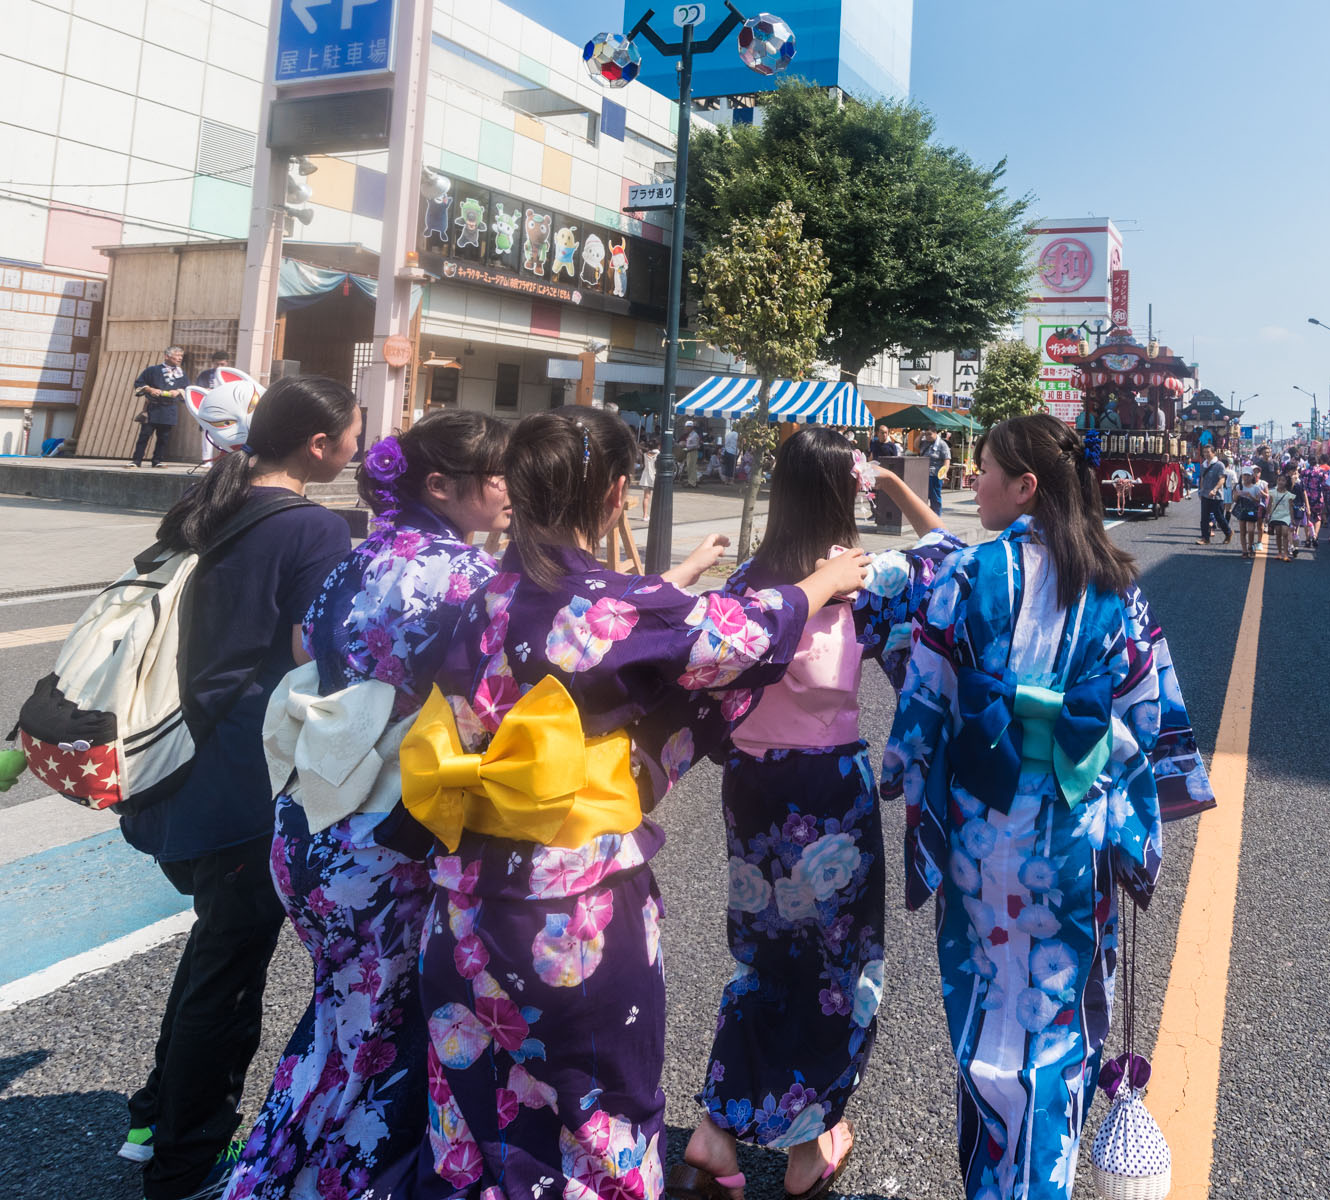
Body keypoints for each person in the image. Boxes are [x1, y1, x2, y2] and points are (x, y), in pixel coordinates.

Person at [405, 409, 871, 1199]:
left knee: (473, 1122)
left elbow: (618, 635)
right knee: (600, 1118)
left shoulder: (475, 596)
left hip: (459, 898)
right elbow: (733, 638)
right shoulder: (611, 605)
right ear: (618, 492)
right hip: (569, 906)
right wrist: (818, 585)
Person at [881, 412, 1212, 1200]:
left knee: (989, 1007)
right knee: (1058, 1022)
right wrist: (1123, 801)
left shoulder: (966, 575)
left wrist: (904, 769)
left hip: (978, 829)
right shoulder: (1114, 585)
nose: (974, 480)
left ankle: (993, 1175)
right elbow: (1144, 716)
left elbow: (922, 694)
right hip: (1072, 830)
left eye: (986, 468)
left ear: (1025, 486)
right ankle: (1043, 1178)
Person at [224, 412, 513, 1200]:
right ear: (440, 487)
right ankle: (303, 1184)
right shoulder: (470, 579)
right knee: (378, 1036)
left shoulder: (358, 558)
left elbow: (303, 649)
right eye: (494, 473)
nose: (507, 486)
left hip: (312, 818)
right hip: (389, 831)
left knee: (343, 1019)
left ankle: (280, 1172)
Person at [678, 430, 961, 1200]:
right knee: (836, 968)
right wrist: (905, 489)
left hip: (752, 789)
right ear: (847, 494)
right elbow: (954, 556)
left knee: (762, 956)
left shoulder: (747, 581)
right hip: (828, 791)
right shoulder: (866, 579)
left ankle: (715, 1130)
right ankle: (807, 1148)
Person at [119, 376, 360, 1200]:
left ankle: (156, 1116)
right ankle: (186, 1162)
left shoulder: (207, 498)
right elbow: (319, 651)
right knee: (229, 971)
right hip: (244, 774)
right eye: (352, 433)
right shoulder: (312, 527)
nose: (358, 447)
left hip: (172, 758)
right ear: (318, 446)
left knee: (215, 945)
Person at [131, 345, 189, 468]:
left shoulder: (181, 373)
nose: (180, 358)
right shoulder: (152, 370)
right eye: (177, 356)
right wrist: (150, 389)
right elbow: (139, 383)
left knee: (164, 437)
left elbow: (187, 388)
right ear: (167, 356)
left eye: (181, 356)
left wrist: (178, 392)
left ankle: (157, 460)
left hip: (170, 408)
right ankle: (136, 460)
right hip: (153, 407)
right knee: (145, 435)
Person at [1195, 446, 1229, 545]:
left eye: (1208, 452)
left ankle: (1228, 532)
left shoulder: (1219, 465)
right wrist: (1200, 491)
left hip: (1217, 496)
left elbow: (1222, 479)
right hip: (1205, 495)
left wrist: (1215, 489)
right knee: (1204, 518)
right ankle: (1205, 538)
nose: (1206, 454)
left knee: (1219, 517)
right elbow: (1202, 479)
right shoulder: (1203, 465)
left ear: (1213, 453)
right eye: (1204, 452)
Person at [1233, 464, 1267, 560]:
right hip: (1242, 510)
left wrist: (1249, 496)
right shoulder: (1238, 487)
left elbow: (1257, 501)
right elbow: (1235, 500)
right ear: (1242, 476)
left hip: (1252, 510)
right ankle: (1244, 550)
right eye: (1244, 475)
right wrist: (1238, 495)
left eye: (1248, 475)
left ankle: (1250, 546)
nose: (1246, 477)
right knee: (1243, 531)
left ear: (1252, 476)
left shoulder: (1255, 488)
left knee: (1251, 530)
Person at [1267, 472, 1298, 562]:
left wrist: (1292, 519)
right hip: (1275, 515)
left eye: (1283, 480)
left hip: (1286, 515)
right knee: (1278, 534)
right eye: (1279, 480)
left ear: (1286, 482)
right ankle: (1279, 553)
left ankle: (1285, 554)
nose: (1280, 482)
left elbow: (1291, 507)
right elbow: (1269, 504)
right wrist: (1267, 515)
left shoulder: (1289, 494)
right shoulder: (1272, 492)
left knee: (1285, 533)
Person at [925, 429, 951, 515]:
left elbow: (947, 460)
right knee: (923, 496)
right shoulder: (925, 442)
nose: (927, 436)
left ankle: (936, 516)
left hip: (935, 474)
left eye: (929, 434)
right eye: (926, 434)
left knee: (935, 498)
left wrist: (944, 473)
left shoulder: (942, 444)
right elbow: (916, 445)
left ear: (935, 433)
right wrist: (920, 435)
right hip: (923, 473)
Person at [683, 421, 703, 485]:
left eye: (687, 427)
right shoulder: (690, 434)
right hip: (689, 452)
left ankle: (692, 482)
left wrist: (687, 447)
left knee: (692, 468)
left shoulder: (694, 435)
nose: (685, 428)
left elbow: (696, 445)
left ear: (690, 427)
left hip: (693, 452)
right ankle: (693, 481)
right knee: (690, 467)